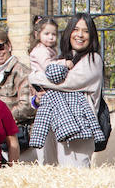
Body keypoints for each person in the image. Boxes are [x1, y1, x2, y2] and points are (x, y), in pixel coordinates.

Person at [28, 13, 105, 167]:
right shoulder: (60, 59)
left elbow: (66, 83)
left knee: (75, 177)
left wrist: (34, 76)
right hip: (53, 126)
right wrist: (37, 99)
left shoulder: (93, 59)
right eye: (76, 29)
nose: (80, 35)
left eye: (86, 31)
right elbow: (43, 91)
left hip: (78, 131)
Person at [0, 27, 34, 156]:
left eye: (0, 47)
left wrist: (1, 120)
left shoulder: (22, 72)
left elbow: (28, 106)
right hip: (4, 140)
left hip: (25, 140)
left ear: (9, 46)